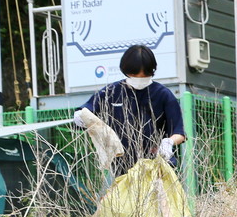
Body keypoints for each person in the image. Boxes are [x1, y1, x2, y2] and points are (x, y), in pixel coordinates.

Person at [73, 44, 186, 177]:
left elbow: (180, 132)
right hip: (124, 168)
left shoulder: (163, 95)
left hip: (158, 167)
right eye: (134, 76)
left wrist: (169, 142)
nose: (139, 80)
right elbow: (88, 110)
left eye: (144, 76)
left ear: (152, 71)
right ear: (125, 71)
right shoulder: (112, 92)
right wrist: (80, 115)